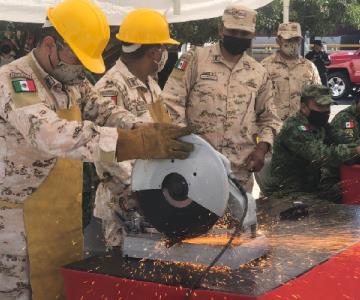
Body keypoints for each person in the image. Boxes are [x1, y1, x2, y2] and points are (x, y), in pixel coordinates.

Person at [0, 0, 193, 299]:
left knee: (65, 289)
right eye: (78, 58)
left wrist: (141, 129)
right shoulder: (15, 80)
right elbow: (50, 134)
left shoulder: (72, 81)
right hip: (16, 227)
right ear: (51, 44)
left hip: (62, 215)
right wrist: (128, 143)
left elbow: (105, 112)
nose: (80, 68)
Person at [161, 4, 281, 192]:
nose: (238, 37)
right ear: (221, 29)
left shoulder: (259, 73)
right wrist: (187, 145)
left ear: (253, 34)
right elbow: (170, 102)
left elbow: (269, 118)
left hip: (239, 175)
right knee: (195, 222)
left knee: (237, 222)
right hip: (195, 170)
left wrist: (262, 148)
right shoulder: (194, 59)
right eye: (233, 31)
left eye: (244, 33)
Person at [93, 8, 177, 248]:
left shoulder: (150, 85)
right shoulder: (110, 88)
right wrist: (136, 194)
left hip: (154, 196)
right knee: (125, 271)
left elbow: (164, 129)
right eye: (163, 48)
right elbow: (107, 153)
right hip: (125, 205)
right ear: (153, 52)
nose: (164, 54)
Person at [263, 84, 360, 201]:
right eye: (320, 106)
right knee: (332, 208)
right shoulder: (294, 128)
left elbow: (342, 139)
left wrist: (355, 147)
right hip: (288, 191)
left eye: (327, 106)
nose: (325, 111)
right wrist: (356, 150)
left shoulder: (320, 125)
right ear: (304, 107)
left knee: (350, 190)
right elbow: (323, 155)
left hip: (312, 187)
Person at [261, 23, 321, 122]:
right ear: (278, 41)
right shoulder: (265, 66)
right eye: (288, 40)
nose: (293, 43)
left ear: (301, 41)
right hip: (274, 129)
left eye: (296, 40)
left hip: (302, 129)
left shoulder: (309, 67)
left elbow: (319, 98)